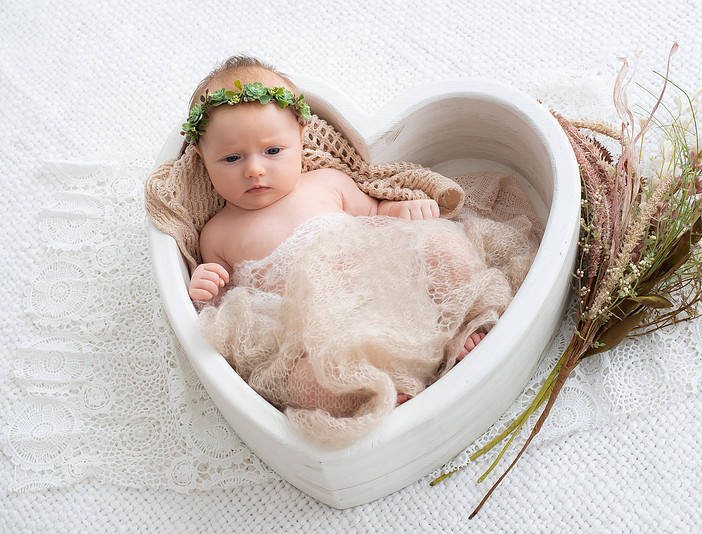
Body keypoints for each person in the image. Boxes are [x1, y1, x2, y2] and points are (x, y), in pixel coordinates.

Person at [184, 57, 488, 414]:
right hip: (319, 339)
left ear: (300, 137)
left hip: (386, 292)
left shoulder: (327, 182)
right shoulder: (217, 233)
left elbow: (375, 214)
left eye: (273, 151)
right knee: (303, 381)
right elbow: (226, 311)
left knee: (445, 247)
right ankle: (373, 393)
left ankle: (460, 330)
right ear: (203, 159)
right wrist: (204, 285)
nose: (254, 169)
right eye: (232, 158)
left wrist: (403, 212)